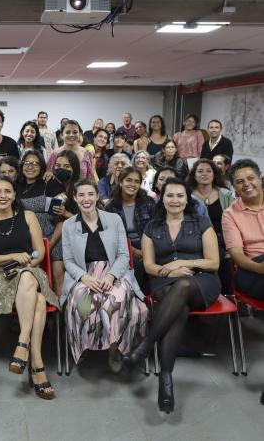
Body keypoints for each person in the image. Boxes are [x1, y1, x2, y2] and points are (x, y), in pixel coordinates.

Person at [123, 177, 221, 413]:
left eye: (180, 195)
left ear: (187, 199)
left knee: (184, 285)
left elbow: (213, 262)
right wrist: (170, 271)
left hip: (201, 280)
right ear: (162, 198)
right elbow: (149, 266)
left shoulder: (201, 222)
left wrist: (182, 263)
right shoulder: (151, 227)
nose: (175, 200)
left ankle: (146, 344)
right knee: (179, 308)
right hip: (164, 281)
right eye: (170, 195)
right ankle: (165, 379)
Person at [0, 176, 59, 400]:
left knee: (26, 277)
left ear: (15, 195)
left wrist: (24, 265)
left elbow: (39, 252)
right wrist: (14, 257)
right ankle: (37, 365)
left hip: (30, 270)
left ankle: (22, 343)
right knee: (39, 301)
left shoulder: (28, 216)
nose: (3, 195)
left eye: (7, 191)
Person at [62, 179, 147, 369]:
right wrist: (84, 278)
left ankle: (114, 348)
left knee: (114, 300)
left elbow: (124, 255)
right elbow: (68, 260)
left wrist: (111, 276)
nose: (86, 199)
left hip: (114, 271)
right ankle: (85, 345)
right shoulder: (68, 225)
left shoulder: (114, 219)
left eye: (90, 194)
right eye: (81, 195)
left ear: (97, 196)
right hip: (84, 274)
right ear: (74, 198)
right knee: (84, 304)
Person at [17, 150, 66, 294]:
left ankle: (60, 305)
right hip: (26, 240)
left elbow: (61, 214)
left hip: (52, 237)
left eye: (35, 163)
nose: (30, 166)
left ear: (42, 167)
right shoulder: (16, 185)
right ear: (22, 165)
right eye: (27, 163)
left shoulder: (49, 182)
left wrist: (50, 245)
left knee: (57, 273)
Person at [105, 167, 156, 292]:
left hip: (149, 245)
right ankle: (141, 298)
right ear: (121, 182)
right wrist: (132, 250)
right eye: (128, 180)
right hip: (124, 248)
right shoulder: (111, 207)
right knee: (136, 266)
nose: (132, 184)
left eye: (136, 181)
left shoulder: (148, 202)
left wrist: (146, 250)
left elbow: (157, 229)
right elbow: (112, 237)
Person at [188, 159, 234, 293]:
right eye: (200, 171)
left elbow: (233, 223)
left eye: (209, 171)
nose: (204, 174)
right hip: (195, 239)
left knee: (223, 259)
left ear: (214, 174)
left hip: (222, 240)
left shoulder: (226, 195)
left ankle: (226, 296)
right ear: (194, 175)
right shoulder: (187, 196)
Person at [222, 159, 264, 300]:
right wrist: (259, 268)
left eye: (251, 178)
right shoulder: (230, 214)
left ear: (260, 178)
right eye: (240, 182)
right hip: (252, 270)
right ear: (234, 187)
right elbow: (237, 255)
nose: (246, 184)